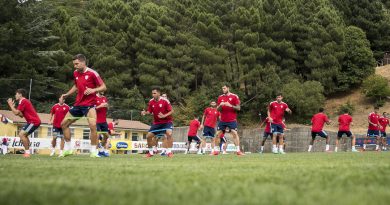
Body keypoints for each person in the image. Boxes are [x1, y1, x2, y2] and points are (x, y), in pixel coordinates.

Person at [60, 54, 107, 158]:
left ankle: (94, 152)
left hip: (89, 105)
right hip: (78, 105)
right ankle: (68, 149)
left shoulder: (92, 73)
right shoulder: (75, 73)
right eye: (74, 64)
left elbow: (104, 87)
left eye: (76, 64)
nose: (75, 66)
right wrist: (67, 94)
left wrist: (94, 90)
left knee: (93, 126)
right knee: (63, 124)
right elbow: (76, 85)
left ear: (83, 62)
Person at [7, 89, 41, 158]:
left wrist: (11, 105)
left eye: (16, 94)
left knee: (21, 134)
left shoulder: (23, 101)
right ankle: (28, 152)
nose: (15, 95)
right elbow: (21, 115)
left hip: (33, 122)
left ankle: (27, 153)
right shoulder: (23, 101)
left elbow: (16, 113)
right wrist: (13, 107)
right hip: (32, 122)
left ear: (20, 94)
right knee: (23, 135)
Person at [141, 87, 174, 158]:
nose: (153, 95)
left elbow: (171, 111)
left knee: (169, 133)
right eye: (152, 93)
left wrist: (164, 116)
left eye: (154, 93)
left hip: (167, 122)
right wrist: (145, 112)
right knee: (148, 136)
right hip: (157, 123)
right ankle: (150, 153)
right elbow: (150, 111)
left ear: (159, 93)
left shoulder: (165, 101)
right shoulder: (151, 101)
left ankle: (169, 152)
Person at [215, 84, 245, 156]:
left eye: (224, 88)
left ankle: (238, 151)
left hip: (232, 120)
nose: (223, 90)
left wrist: (230, 105)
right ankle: (216, 151)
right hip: (222, 120)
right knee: (217, 135)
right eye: (222, 88)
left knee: (235, 133)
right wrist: (220, 105)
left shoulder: (234, 96)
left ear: (228, 88)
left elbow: (238, 108)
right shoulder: (220, 97)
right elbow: (218, 109)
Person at [95, 92, 110, 157]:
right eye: (102, 90)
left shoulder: (104, 98)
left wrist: (107, 105)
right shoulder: (94, 97)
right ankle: (95, 152)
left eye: (104, 90)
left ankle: (101, 150)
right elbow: (92, 109)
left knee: (106, 136)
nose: (103, 91)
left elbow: (107, 108)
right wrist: (100, 106)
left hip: (104, 121)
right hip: (96, 120)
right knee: (97, 136)